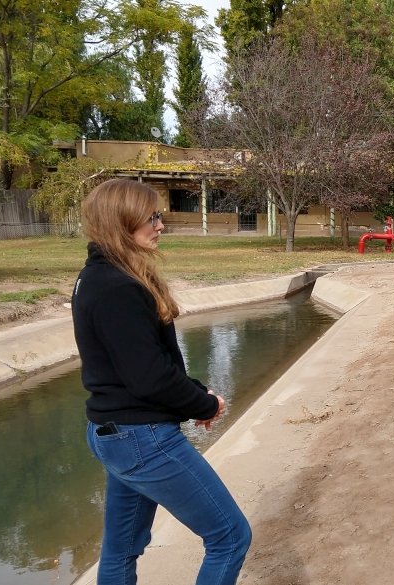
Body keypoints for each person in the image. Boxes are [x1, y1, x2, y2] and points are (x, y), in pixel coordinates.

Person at [73, 178, 252, 584]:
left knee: (121, 551)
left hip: (115, 434)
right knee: (230, 536)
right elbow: (149, 378)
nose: (160, 225)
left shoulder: (98, 276)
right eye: (151, 217)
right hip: (141, 439)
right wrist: (205, 405)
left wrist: (196, 391)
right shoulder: (117, 287)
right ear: (122, 222)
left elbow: (143, 364)